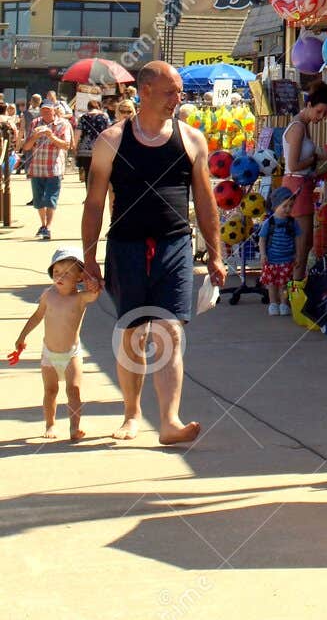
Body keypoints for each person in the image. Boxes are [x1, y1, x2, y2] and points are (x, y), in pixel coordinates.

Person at [82, 61, 225, 445]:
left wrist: (215, 253)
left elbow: (206, 201)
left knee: (170, 332)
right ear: (143, 92)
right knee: (131, 332)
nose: (177, 99)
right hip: (126, 245)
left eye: (179, 92)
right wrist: (89, 258)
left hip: (175, 244)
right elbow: (94, 203)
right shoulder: (111, 140)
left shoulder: (192, 139)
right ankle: (131, 413)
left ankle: (169, 421)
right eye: (169, 92)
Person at [9, 247, 101, 440]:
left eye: (67, 272)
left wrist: (92, 280)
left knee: (73, 391)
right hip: (49, 354)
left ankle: (74, 427)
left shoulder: (80, 298)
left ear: (79, 277)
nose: (60, 276)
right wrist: (22, 336)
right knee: (50, 391)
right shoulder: (48, 295)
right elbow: (36, 316)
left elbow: (96, 292)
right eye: (57, 272)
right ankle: (50, 425)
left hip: (71, 355)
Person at [280, 81, 327, 284]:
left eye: (324, 114)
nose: (321, 117)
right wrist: (315, 158)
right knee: (302, 244)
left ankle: (293, 287)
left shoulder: (303, 125)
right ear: (309, 105)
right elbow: (293, 164)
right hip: (296, 186)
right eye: (319, 112)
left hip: (301, 185)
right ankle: (294, 288)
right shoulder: (299, 128)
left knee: (305, 242)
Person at [22, 101, 72, 240]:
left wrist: (51, 136)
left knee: (50, 199)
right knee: (38, 201)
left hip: (54, 168)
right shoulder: (35, 123)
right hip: (37, 168)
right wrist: (35, 136)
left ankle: (48, 227)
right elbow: (26, 147)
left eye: (48, 111)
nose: (45, 113)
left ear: (54, 111)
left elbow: (66, 145)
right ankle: (43, 224)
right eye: (43, 110)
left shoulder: (63, 124)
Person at [255, 191, 298, 315]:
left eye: (290, 206)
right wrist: (263, 255)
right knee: (272, 284)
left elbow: (297, 239)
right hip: (271, 260)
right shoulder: (269, 223)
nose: (288, 209)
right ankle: (273, 303)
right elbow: (262, 240)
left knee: (285, 284)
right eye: (284, 206)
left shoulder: (292, 222)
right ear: (275, 206)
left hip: (288, 260)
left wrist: (298, 255)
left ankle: (284, 303)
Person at [73, 98, 111, 185]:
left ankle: (89, 195)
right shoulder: (105, 117)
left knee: (88, 174)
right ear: (98, 107)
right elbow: (109, 132)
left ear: (88, 107)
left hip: (85, 151)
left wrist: (74, 148)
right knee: (99, 174)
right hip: (101, 150)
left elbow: (77, 134)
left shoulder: (83, 117)